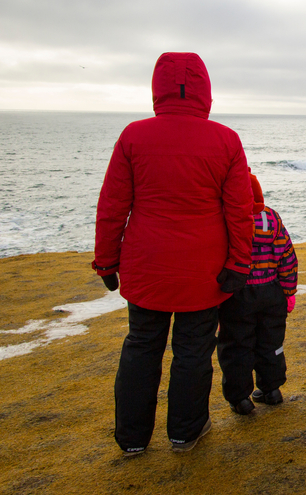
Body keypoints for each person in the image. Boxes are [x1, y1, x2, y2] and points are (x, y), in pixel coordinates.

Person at [93, 52, 253, 456]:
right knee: (194, 350)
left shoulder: (133, 136)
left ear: (157, 89)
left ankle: (131, 439)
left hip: (146, 266)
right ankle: (186, 431)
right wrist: (239, 262)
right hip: (205, 268)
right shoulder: (225, 139)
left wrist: (107, 261)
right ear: (205, 91)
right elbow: (240, 210)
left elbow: (112, 204)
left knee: (141, 347)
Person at [217, 170, 298, 415]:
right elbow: (287, 256)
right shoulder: (272, 218)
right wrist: (288, 290)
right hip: (272, 292)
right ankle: (272, 390)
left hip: (238, 295)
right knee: (270, 342)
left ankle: (240, 398)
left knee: (236, 346)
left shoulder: (229, 220)